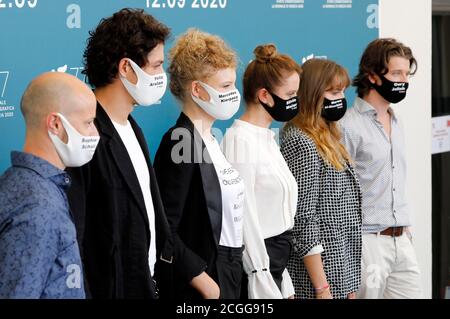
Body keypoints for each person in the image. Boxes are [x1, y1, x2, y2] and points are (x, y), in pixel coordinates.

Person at [66, 8, 173, 299]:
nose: (161, 76)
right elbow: (75, 238)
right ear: (126, 68)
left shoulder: (132, 128)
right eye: (156, 66)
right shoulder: (84, 135)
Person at [154, 28, 244, 299]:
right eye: (225, 86)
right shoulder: (181, 140)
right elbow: (164, 226)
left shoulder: (210, 138)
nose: (233, 93)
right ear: (197, 90)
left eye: (233, 84)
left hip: (230, 268)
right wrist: (204, 281)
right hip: (203, 280)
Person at [0, 72, 99, 298]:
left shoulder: (21, 182)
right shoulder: (39, 207)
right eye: (88, 123)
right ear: (55, 124)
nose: (95, 133)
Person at [340, 38, 422, 299]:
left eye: (406, 74)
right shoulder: (347, 125)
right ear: (373, 76)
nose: (403, 81)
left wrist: (404, 231)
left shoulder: (397, 122)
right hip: (367, 241)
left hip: (402, 240)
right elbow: (338, 192)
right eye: (397, 73)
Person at [221, 44, 300, 299]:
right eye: (290, 94)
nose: (295, 101)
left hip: (275, 264)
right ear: (264, 95)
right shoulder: (239, 140)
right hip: (255, 273)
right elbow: (244, 217)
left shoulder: (266, 137)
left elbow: (278, 219)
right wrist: (261, 278)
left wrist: (284, 282)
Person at [281, 58, 362, 299]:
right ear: (313, 93)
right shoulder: (301, 142)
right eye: (334, 91)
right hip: (317, 278)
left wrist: (348, 283)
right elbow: (303, 218)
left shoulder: (330, 135)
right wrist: (322, 286)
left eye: (343, 91)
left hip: (341, 272)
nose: (340, 98)